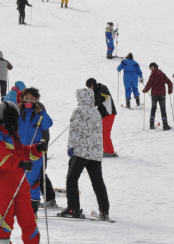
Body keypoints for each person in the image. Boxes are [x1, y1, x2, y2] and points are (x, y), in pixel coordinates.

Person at [0, 103, 52, 244]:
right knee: (4, 217)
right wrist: (19, 163)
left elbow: (22, 152)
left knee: (28, 217)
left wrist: (36, 149)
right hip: (3, 182)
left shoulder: (12, 135)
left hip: (20, 183)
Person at [60, 88, 109, 219]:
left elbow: (75, 130)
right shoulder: (96, 112)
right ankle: (104, 210)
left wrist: (71, 146)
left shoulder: (78, 111)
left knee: (72, 179)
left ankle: (73, 208)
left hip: (81, 152)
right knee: (98, 182)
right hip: (96, 153)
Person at [18, 87, 56, 211]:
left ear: (36, 100)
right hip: (20, 151)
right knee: (19, 177)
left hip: (35, 152)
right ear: (22, 99)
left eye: (32, 99)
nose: (29, 101)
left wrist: (41, 112)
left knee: (34, 179)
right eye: (26, 98)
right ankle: (19, 202)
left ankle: (32, 209)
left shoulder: (39, 112)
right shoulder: (18, 111)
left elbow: (47, 125)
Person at [86, 78, 118, 157]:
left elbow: (104, 97)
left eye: (89, 87)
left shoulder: (102, 88)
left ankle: (110, 152)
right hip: (104, 114)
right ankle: (106, 149)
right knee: (101, 132)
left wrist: (94, 103)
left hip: (109, 113)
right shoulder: (94, 92)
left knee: (105, 133)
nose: (89, 89)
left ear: (92, 85)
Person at [143, 62, 173, 130]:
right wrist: (169, 90)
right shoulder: (162, 74)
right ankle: (165, 125)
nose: (151, 68)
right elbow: (169, 82)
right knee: (163, 110)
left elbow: (149, 84)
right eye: (150, 67)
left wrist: (145, 90)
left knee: (153, 109)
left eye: (152, 67)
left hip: (154, 95)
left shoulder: (152, 75)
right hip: (162, 95)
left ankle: (151, 124)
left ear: (155, 67)